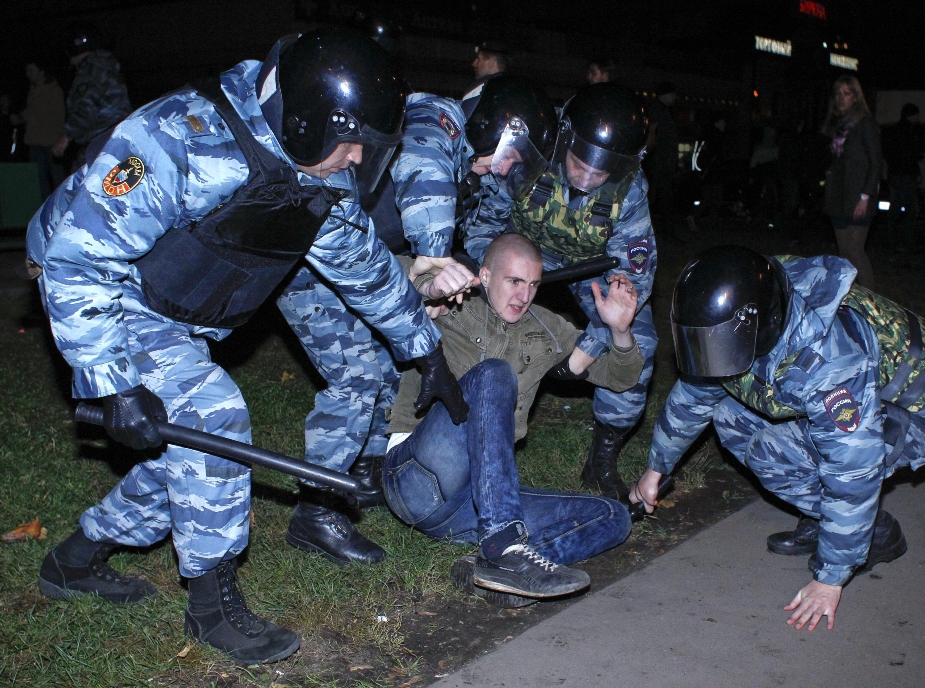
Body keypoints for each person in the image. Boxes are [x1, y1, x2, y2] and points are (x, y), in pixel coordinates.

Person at [26, 29, 467, 665]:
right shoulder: (180, 138)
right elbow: (79, 259)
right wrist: (111, 381)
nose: (354, 162)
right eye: (350, 146)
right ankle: (212, 607)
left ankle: (74, 559)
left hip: (172, 312)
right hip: (104, 289)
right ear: (310, 120)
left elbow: (360, 260)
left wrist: (423, 349)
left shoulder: (314, 165)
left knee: (183, 449)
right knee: (214, 415)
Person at [275, 74, 555, 569]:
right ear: (494, 124)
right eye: (513, 151)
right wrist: (433, 258)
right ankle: (315, 512)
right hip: (317, 260)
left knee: (391, 368)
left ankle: (366, 473)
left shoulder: (480, 168)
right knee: (356, 374)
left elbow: (489, 234)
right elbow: (423, 173)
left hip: (372, 265)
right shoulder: (436, 119)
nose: (509, 166)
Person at [633, 246, 925, 633]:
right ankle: (823, 516)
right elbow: (694, 398)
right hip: (855, 395)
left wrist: (830, 579)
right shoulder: (752, 314)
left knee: (771, 452)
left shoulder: (831, 362)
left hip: (912, 414)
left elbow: (853, 467)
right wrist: (656, 468)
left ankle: (877, 535)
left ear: (758, 324)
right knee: (729, 416)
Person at [383, 233, 640, 606]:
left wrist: (619, 330)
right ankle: (504, 544)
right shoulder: (455, 300)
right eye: (514, 282)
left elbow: (620, 377)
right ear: (485, 275)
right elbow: (386, 272)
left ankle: (489, 568)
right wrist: (429, 283)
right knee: (494, 374)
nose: (524, 296)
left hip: (475, 505)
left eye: (534, 284)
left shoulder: (548, 327)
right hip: (417, 478)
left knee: (612, 516)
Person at [464, 82, 656, 503]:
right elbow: (481, 231)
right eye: (579, 163)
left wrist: (593, 343)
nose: (586, 177)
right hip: (522, 255)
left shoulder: (631, 191)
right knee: (476, 306)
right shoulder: (529, 150)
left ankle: (602, 459)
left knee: (637, 337)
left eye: (600, 171)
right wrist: (504, 272)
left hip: (588, 269)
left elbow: (634, 279)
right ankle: (473, 421)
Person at [821, 75, 882, 290]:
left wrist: (865, 195)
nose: (841, 98)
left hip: (858, 196)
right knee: (844, 252)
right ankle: (849, 298)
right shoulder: (836, 125)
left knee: (856, 250)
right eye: (838, 93)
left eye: (847, 93)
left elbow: (876, 163)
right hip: (838, 195)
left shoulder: (865, 123)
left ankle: (871, 302)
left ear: (856, 97)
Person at [50, 26, 131, 167]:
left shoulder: (91, 69)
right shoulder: (105, 64)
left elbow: (86, 108)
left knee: (83, 184)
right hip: (117, 137)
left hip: (100, 139)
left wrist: (66, 137)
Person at [10, 62, 65, 198]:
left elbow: (54, 115)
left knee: (58, 182)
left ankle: (64, 212)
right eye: (27, 70)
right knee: (39, 182)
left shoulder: (53, 89)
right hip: (35, 142)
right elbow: (32, 110)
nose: (28, 73)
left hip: (51, 143)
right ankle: (43, 214)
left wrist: (23, 118)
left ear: (41, 71)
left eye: (31, 70)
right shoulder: (33, 89)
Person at [881, 103, 925, 250]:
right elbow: (910, 156)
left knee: (894, 208)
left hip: (895, 174)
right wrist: (915, 172)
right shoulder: (909, 132)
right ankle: (907, 242)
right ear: (910, 115)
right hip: (905, 175)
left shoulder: (894, 131)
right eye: (916, 115)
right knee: (910, 210)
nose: (918, 118)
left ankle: (891, 240)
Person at [644, 81, 680, 225]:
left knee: (663, 197)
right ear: (666, 94)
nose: (674, 97)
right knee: (655, 197)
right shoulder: (657, 110)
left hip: (661, 161)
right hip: (658, 161)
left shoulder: (662, 110)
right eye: (672, 94)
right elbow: (654, 135)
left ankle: (666, 231)